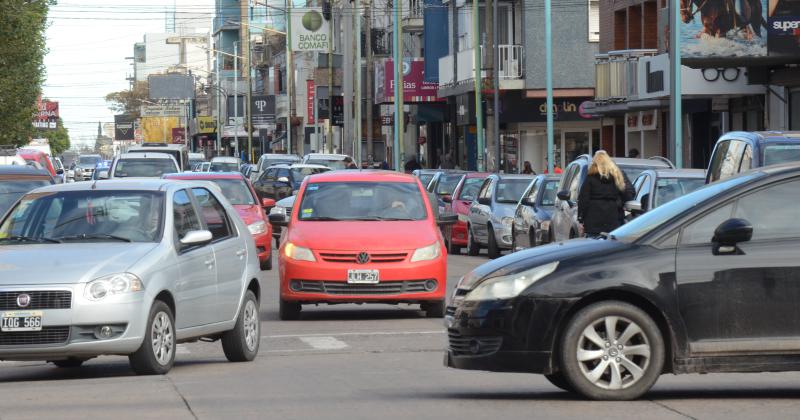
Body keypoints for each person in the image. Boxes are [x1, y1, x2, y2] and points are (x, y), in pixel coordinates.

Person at [577, 150, 635, 238]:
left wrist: (581, 219)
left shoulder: (590, 178)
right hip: (612, 218)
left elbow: (583, 200)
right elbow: (627, 194)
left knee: (592, 246)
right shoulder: (616, 178)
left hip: (593, 221)